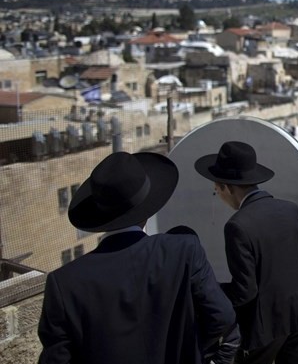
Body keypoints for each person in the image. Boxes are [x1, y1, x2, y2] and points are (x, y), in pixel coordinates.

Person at [37, 151, 240, 364]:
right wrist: (190, 351)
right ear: (147, 206)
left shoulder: (65, 284)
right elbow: (222, 317)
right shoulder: (184, 250)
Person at [195, 141, 298, 364]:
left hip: (267, 323)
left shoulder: (237, 225)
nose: (219, 195)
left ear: (227, 187)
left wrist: (211, 291)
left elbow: (245, 291)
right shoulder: (288, 208)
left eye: (217, 190)